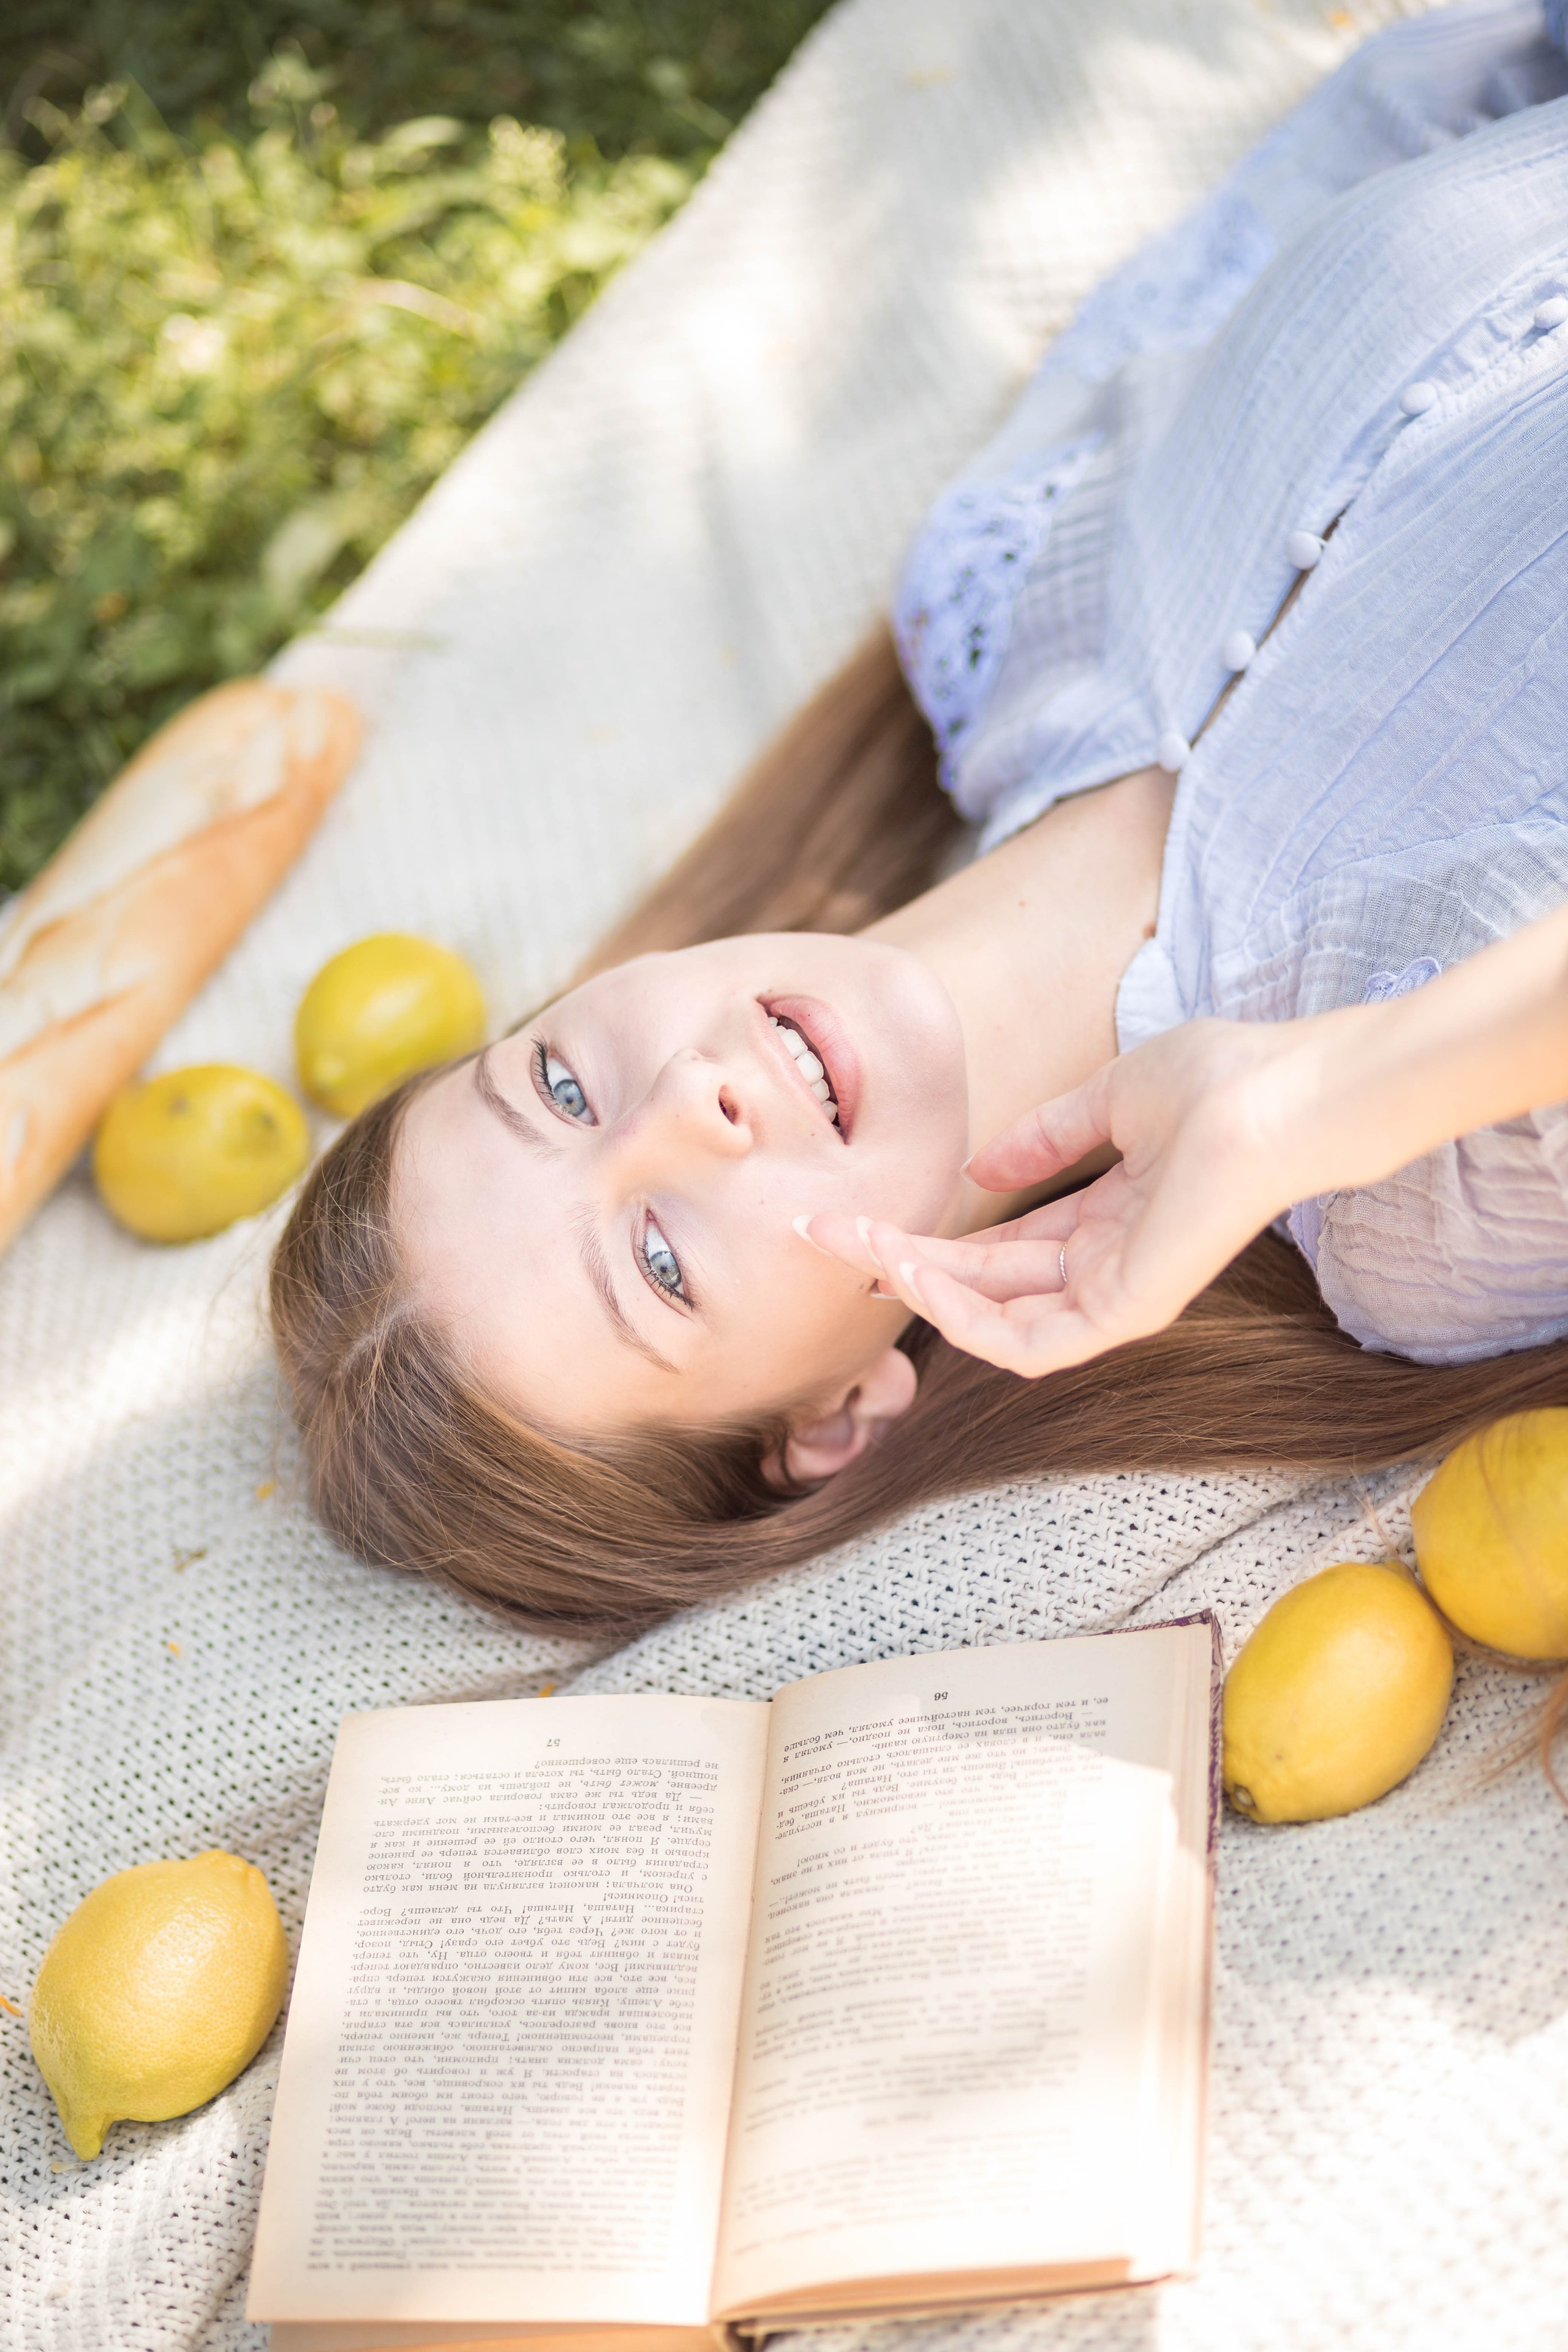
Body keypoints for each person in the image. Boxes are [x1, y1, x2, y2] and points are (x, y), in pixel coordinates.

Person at [272, 0, 1568, 1633]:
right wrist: (1330, 1102)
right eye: (660, 1261)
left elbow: (1409, 127)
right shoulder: (1421, 1193)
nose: (689, 1100)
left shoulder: (994, 584)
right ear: (837, 1416)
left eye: (561, 1082)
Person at [814, 895, 1568, 1376]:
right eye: (684, 1275)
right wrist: (1297, 1105)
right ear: (840, 1414)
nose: (691, 1091)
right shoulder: (1423, 1213)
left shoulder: (974, 660)